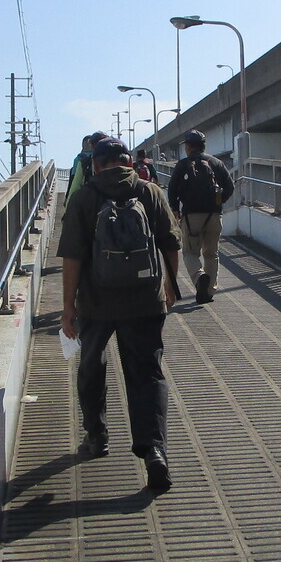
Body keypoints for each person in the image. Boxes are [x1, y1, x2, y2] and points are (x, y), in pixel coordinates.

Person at [58, 137, 182, 494]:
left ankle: (97, 436)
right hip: (145, 300)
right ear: (128, 162)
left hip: (97, 302)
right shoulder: (150, 192)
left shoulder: (84, 197)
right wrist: (170, 285)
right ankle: (154, 450)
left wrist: (68, 307)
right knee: (147, 373)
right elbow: (170, 242)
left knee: (92, 365)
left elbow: (72, 257)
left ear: (95, 165)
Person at [166, 129, 233, 304]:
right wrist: (218, 201)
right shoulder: (216, 163)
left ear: (188, 147)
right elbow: (230, 187)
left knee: (189, 252)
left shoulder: (182, 165)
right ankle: (209, 291)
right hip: (214, 215)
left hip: (191, 216)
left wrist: (175, 210)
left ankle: (199, 277)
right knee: (211, 254)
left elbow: (172, 189)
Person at [64, 131, 106, 205]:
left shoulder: (80, 159)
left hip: (86, 198)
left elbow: (74, 182)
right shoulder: (108, 158)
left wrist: (68, 201)